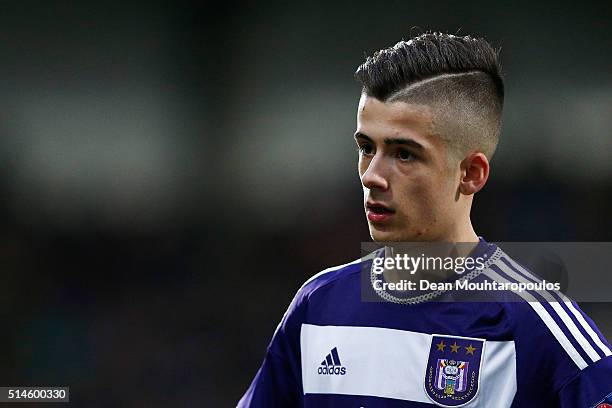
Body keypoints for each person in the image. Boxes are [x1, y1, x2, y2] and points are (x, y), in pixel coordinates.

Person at [238, 32, 612, 407]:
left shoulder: (535, 319)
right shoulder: (318, 305)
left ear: (471, 173)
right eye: (367, 147)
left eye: (404, 154)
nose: (372, 175)